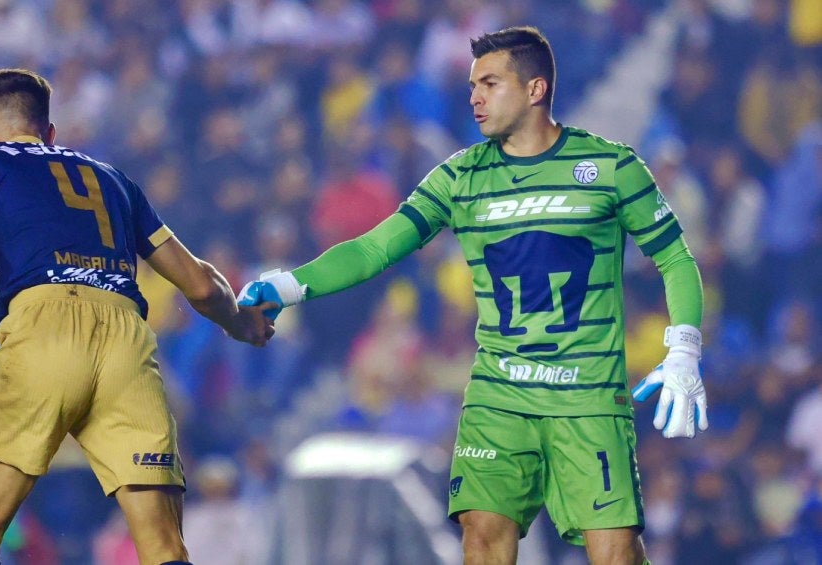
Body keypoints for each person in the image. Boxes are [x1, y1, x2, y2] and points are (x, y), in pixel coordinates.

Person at [239, 26, 707, 564]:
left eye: (490, 83)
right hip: (498, 394)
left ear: (535, 89)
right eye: (471, 85)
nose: (474, 97)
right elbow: (374, 248)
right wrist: (290, 284)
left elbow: (675, 257)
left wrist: (685, 347)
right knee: (482, 533)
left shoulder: (609, 167)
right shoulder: (458, 177)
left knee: (615, 551)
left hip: (587, 396)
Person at [0, 68, 275, 565]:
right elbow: (201, 284)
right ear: (50, 132)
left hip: (44, 324)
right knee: (164, 546)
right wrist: (243, 323)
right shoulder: (116, 181)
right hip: (127, 336)